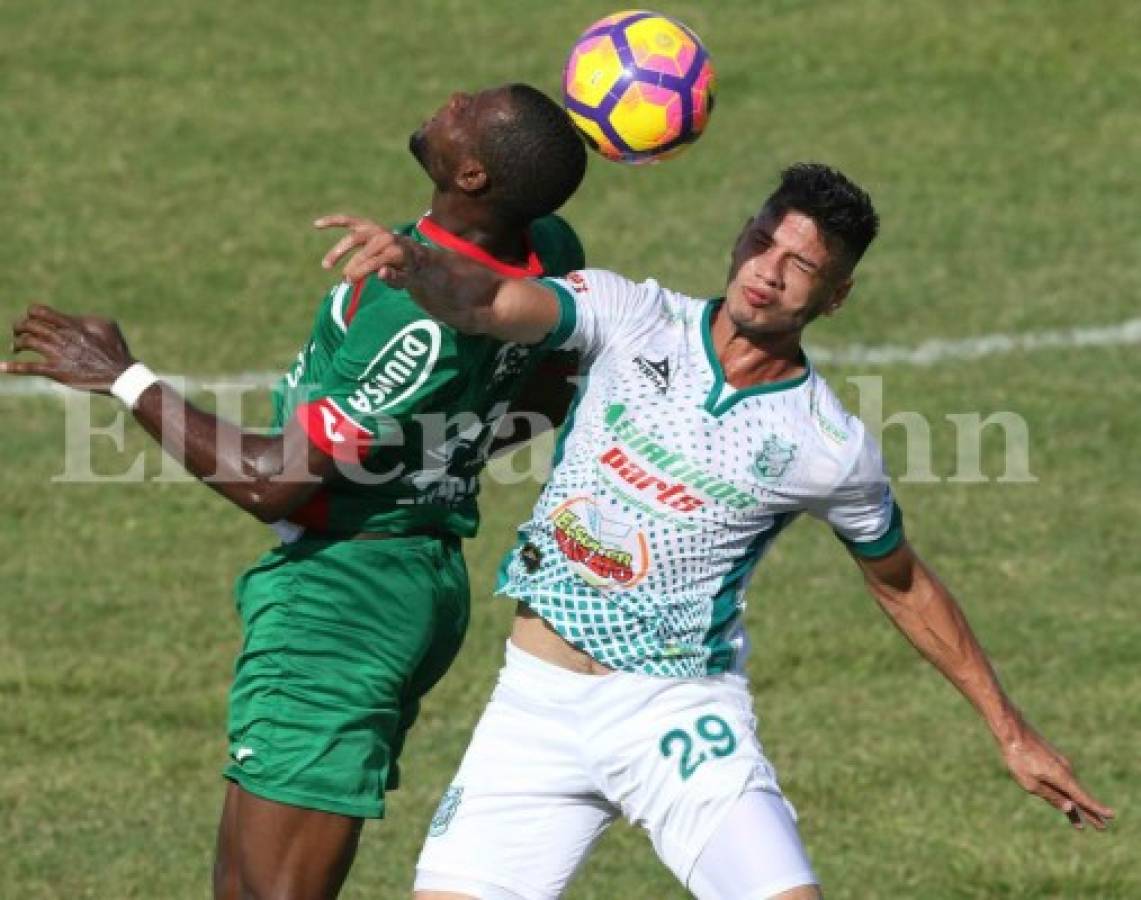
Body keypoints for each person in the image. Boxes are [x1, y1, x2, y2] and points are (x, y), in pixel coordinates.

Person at [318, 162, 1114, 900]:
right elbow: (492, 301)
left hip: (673, 712)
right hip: (532, 706)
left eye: (800, 266)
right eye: (762, 242)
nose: (767, 271)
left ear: (834, 297)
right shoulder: (633, 315)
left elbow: (899, 582)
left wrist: (1010, 734)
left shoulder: (826, 445)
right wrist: (413, 263)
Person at [1, 83, 587, 900]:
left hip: (345, 600)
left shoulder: (413, 321)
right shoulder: (550, 247)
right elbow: (553, 391)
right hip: (396, 576)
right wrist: (439, 454)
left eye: (468, 110)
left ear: (474, 178)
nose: (450, 98)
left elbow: (272, 483)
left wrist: (124, 378)